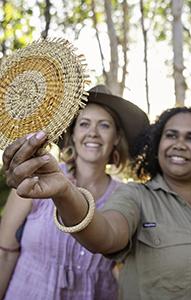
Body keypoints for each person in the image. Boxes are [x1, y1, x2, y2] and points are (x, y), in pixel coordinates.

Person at [2, 106, 191, 300]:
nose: (180, 144)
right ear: (157, 146)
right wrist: (64, 193)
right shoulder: (135, 197)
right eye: (171, 135)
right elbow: (105, 235)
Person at [0, 84, 149, 300]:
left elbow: (124, 270)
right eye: (84, 124)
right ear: (73, 133)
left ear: (116, 137)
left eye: (104, 126)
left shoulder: (126, 196)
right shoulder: (38, 177)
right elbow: (4, 253)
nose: (93, 133)